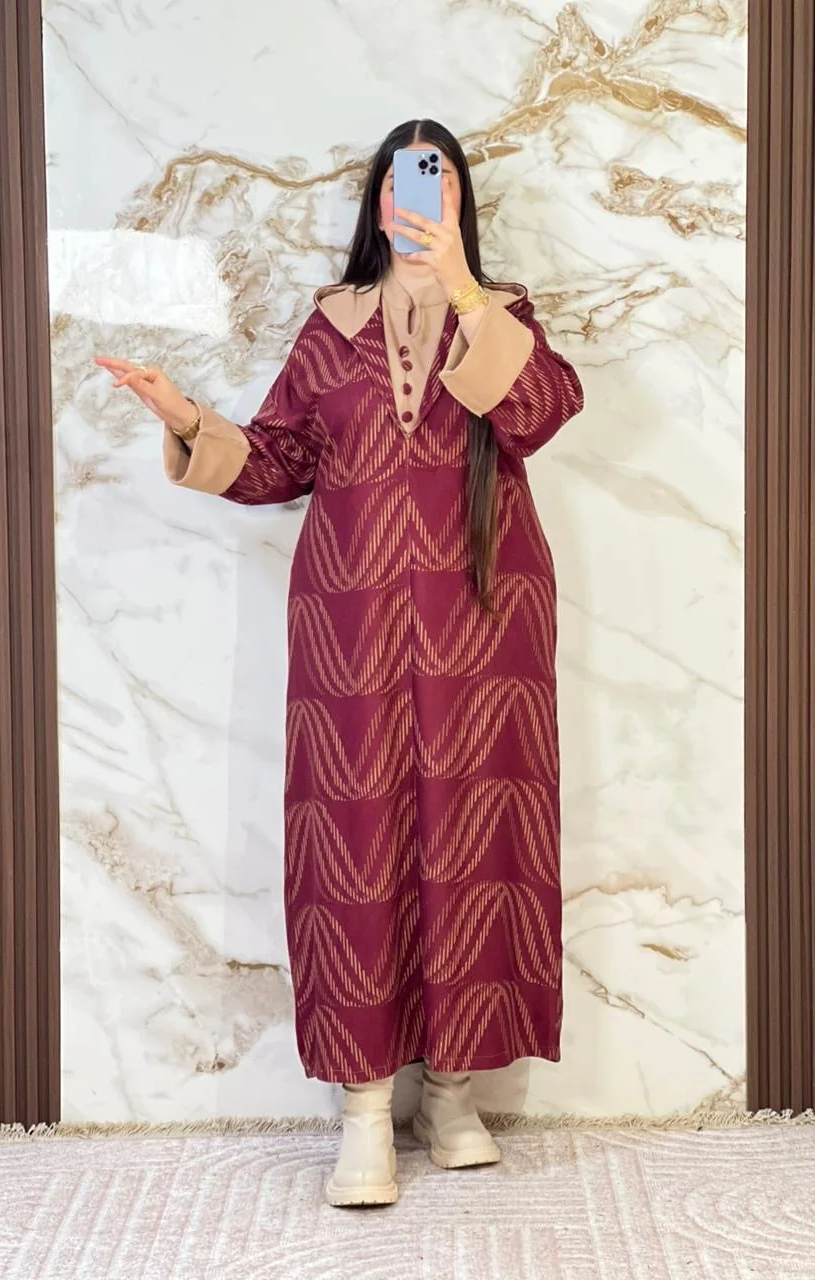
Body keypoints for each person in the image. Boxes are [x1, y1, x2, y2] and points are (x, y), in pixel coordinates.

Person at [97, 118, 584, 1208]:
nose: (418, 202)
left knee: (475, 835)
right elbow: (279, 459)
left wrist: (462, 289)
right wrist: (183, 413)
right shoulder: (333, 327)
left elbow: (539, 414)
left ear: (458, 204)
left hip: (483, 629)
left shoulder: (501, 318)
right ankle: (366, 1111)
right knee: (355, 844)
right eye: (404, 185)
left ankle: (452, 1093)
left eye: (438, 184)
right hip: (350, 633)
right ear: (376, 204)